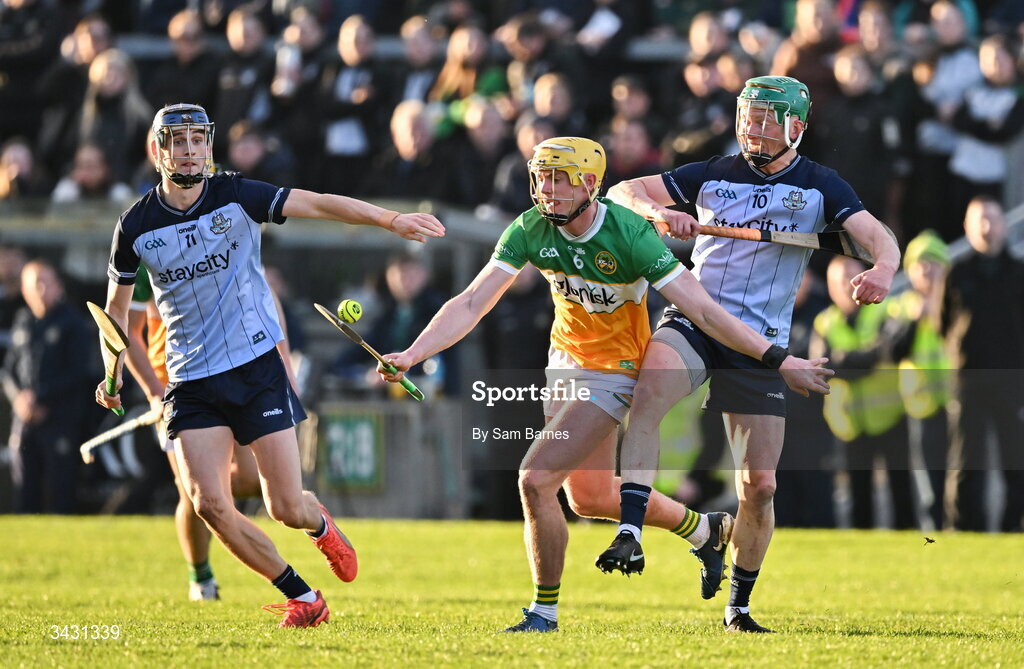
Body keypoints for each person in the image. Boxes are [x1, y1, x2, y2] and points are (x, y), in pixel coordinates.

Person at [378, 136, 832, 632]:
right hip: (565, 364)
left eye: (559, 178)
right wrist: (413, 353)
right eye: (541, 177)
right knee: (588, 498)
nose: (546, 190)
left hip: (615, 369)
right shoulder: (529, 228)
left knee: (534, 479)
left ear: (591, 184)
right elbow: (471, 302)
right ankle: (705, 531)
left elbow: (702, 309)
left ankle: (543, 613)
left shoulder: (631, 235)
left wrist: (778, 359)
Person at [95, 103, 445, 627]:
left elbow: (321, 204)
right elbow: (116, 314)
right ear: (157, 149)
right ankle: (303, 597)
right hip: (189, 379)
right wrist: (113, 371)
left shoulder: (239, 195)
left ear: (209, 146)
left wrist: (388, 219)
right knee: (208, 503)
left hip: (255, 369)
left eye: (198, 140)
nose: (189, 150)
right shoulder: (136, 226)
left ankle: (319, 523)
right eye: (177, 141)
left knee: (284, 506)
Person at [601, 76, 900, 633]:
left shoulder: (821, 186)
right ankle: (632, 531)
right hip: (694, 319)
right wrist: (659, 215)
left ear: (797, 128)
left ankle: (738, 607)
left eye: (767, 120)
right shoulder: (712, 171)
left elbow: (876, 235)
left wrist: (883, 268)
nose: (753, 129)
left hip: (758, 343)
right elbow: (622, 192)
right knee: (650, 390)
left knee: (759, 488)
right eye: (748, 117)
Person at [3, 260, 92, 513]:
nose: (41, 290)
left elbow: (77, 372)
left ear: (58, 286)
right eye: (34, 284)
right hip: (25, 417)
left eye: (46, 283)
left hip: (59, 417)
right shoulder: (23, 321)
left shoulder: (72, 322)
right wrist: (19, 399)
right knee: (24, 486)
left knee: (60, 488)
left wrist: (40, 398)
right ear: (24, 290)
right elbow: (10, 370)